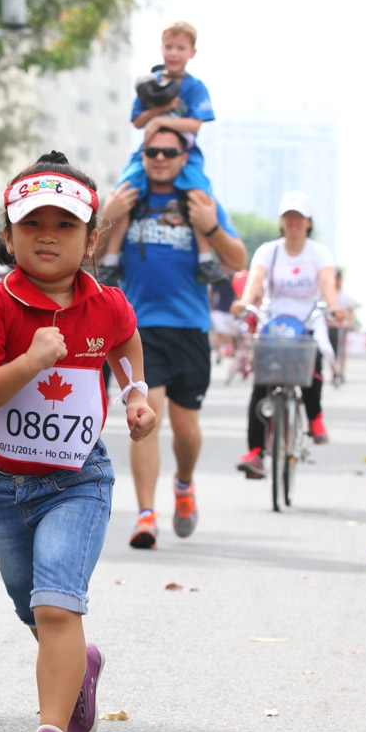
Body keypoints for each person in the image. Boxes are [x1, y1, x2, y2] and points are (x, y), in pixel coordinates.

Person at [0, 151, 156, 732]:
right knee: (34, 610)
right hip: (6, 488)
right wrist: (30, 363)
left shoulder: (106, 304)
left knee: (56, 607)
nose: (48, 234)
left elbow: (124, 344)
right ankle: (82, 666)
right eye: (32, 222)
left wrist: (137, 394)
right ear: (8, 235)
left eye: (65, 224)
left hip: (78, 481)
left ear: (91, 239)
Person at [101, 127, 247, 548]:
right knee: (147, 417)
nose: (160, 157)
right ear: (142, 154)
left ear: (186, 157)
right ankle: (146, 514)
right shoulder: (128, 198)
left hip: (190, 328)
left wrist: (210, 226)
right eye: (152, 150)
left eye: (169, 151)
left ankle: (184, 483)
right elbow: (91, 256)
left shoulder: (200, 201)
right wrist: (109, 215)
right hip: (138, 329)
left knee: (186, 429)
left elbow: (237, 260)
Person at [99, 20, 229, 288]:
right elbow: (137, 121)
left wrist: (160, 123)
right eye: (169, 47)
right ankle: (111, 261)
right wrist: (161, 111)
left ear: (192, 52)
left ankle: (206, 259)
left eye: (180, 48)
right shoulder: (149, 84)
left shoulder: (195, 87)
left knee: (199, 198)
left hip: (187, 154)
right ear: (161, 49)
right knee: (123, 195)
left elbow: (195, 124)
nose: (173, 53)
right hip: (146, 154)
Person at [231, 192, 344, 479]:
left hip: (308, 319)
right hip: (275, 321)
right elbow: (255, 280)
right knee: (263, 382)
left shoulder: (319, 253)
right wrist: (246, 301)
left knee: (313, 355)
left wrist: (333, 306)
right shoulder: (269, 251)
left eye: (299, 217)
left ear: (308, 222)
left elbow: (327, 283)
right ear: (282, 221)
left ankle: (314, 416)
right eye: (288, 216)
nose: (293, 222)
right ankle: (256, 452)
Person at [326, 269, 356, 382]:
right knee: (330, 351)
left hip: (342, 328)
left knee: (342, 352)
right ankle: (334, 372)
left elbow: (351, 312)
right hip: (330, 327)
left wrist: (349, 323)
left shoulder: (346, 297)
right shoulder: (328, 295)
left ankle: (341, 372)